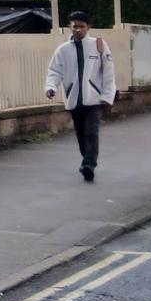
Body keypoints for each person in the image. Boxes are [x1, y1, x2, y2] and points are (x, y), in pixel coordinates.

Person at [44, 10, 116, 182]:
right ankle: (87, 160)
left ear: (88, 27)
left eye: (81, 26)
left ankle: (89, 165)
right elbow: (54, 71)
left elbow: (108, 72)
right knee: (81, 134)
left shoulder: (99, 45)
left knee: (92, 132)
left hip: (94, 99)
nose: (78, 29)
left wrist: (107, 96)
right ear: (70, 27)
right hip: (74, 99)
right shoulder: (63, 50)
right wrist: (51, 87)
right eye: (74, 26)